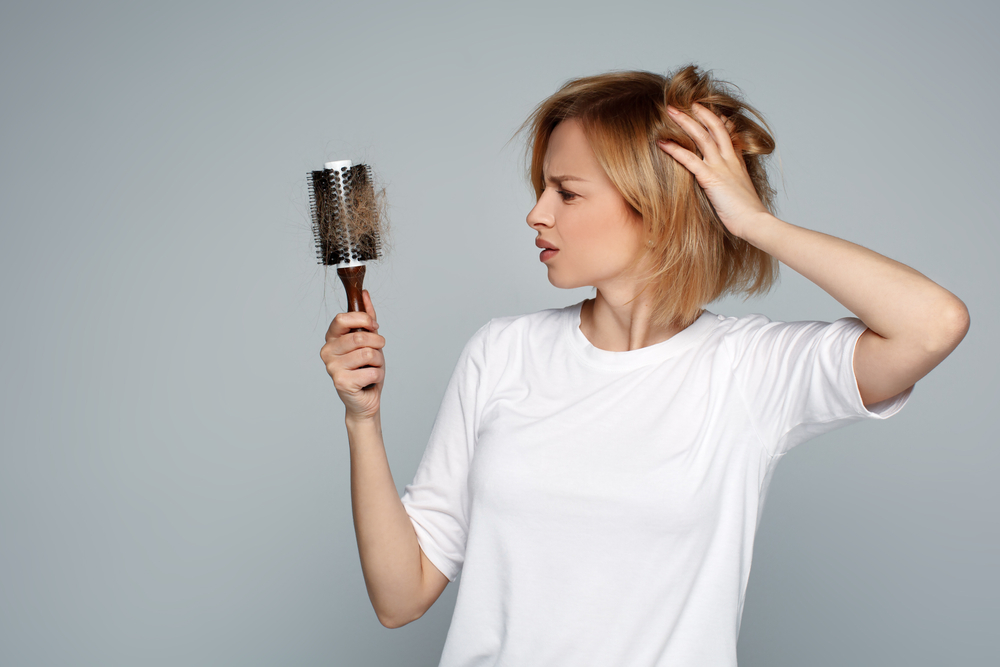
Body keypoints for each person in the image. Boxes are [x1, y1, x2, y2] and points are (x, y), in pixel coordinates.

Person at [320, 64, 970, 666]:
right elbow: (399, 597)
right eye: (542, 187)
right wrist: (362, 419)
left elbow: (933, 322)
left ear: (654, 209)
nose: (536, 213)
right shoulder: (502, 351)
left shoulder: (746, 371)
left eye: (566, 193)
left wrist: (754, 223)